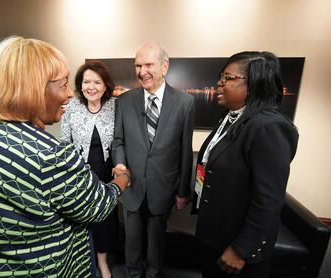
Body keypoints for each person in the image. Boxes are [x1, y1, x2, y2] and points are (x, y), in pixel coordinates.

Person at [0, 36, 130, 278]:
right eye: (63, 84)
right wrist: (120, 183)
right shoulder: (50, 155)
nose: (68, 95)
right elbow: (97, 206)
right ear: (33, 88)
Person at [191, 51, 299, 278]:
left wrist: (241, 250)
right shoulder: (230, 117)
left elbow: (268, 200)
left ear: (253, 84)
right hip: (216, 236)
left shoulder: (268, 127)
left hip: (239, 248)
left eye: (227, 78)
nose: (219, 84)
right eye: (221, 77)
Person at [112, 41, 195, 278]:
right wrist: (119, 163)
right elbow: (118, 141)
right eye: (138, 65)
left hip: (163, 188)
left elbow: (185, 151)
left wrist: (182, 192)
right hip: (132, 187)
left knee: (156, 244)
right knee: (132, 243)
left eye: (148, 64)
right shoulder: (124, 101)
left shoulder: (185, 103)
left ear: (164, 66)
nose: (142, 71)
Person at [60, 60, 118, 278]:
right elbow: (65, 142)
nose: (91, 87)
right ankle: (84, 261)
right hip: (80, 174)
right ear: (80, 85)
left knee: (103, 220)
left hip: (106, 175)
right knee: (82, 219)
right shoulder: (71, 107)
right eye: (86, 82)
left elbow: (121, 141)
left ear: (105, 86)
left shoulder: (115, 106)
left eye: (97, 82)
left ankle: (102, 263)